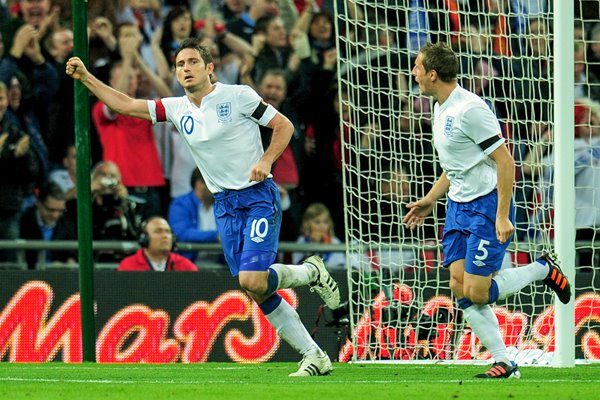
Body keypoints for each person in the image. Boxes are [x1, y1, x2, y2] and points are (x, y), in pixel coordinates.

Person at [66, 37, 340, 377]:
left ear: (210, 68)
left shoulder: (238, 96)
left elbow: (282, 126)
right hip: (224, 205)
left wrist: (267, 160)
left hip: (257, 197)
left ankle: (311, 276)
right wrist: (87, 77)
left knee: (252, 278)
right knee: (252, 286)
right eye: (180, 64)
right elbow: (125, 105)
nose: (185, 69)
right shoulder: (177, 109)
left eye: (192, 62)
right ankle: (314, 351)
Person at [403, 42, 572, 379]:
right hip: (457, 206)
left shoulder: (470, 110)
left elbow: (505, 162)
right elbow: (455, 167)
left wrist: (502, 215)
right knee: (457, 284)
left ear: (433, 74)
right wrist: (431, 199)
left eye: (418, 67)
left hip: (486, 205)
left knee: (477, 291)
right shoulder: (440, 107)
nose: (413, 72)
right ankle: (505, 362)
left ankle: (542, 269)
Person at [20, 181, 77, 269]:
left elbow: (72, 253)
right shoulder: (24, 222)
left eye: (60, 210)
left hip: (58, 276)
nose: (55, 215)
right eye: (51, 210)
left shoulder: (67, 224)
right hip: (30, 277)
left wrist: (70, 262)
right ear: (39, 203)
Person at [168, 168, 221, 264]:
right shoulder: (180, 204)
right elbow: (182, 233)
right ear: (200, 184)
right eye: (215, 183)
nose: (220, 188)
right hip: (189, 265)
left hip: (222, 265)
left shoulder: (223, 205)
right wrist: (216, 236)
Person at [118, 216, 198, 271]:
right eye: (158, 231)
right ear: (144, 238)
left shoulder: (186, 266)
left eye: (168, 232)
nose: (165, 236)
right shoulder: (128, 266)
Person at [292, 202, 345, 270]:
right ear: (308, 224)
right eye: (317, 222)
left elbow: (340, 268)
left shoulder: (335, 242)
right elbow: (297, 267)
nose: (322, 226)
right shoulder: (301, 241)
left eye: (325, 222)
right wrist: (312, 244)